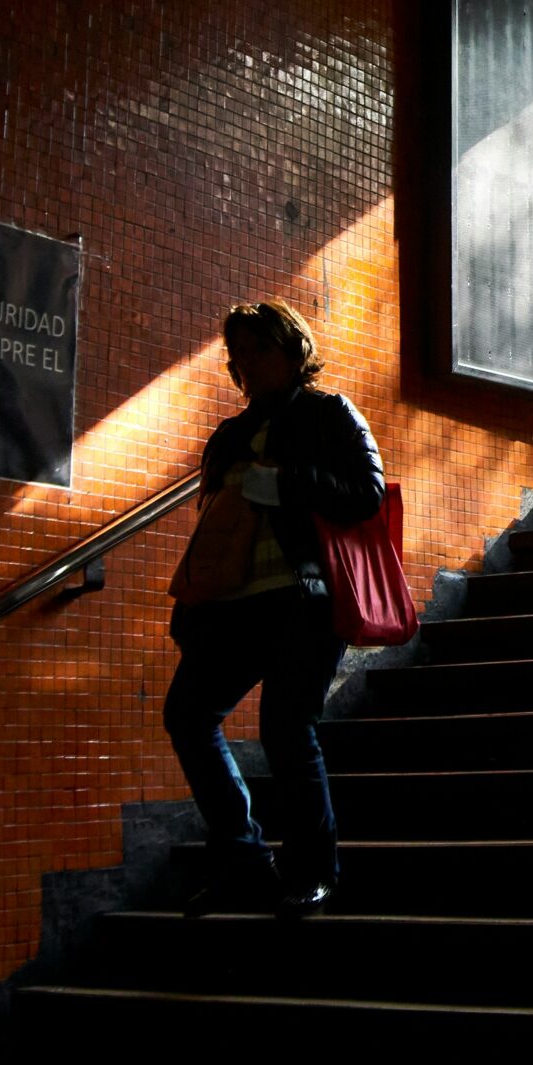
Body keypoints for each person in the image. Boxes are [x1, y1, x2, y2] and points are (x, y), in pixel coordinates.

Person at [164, 300, 384, 919]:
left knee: (286, 729)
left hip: (300, 598)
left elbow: (366, 494)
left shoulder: (328, 412)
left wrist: (287, 483)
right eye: (238, 356)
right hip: (231, 605)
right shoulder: (229, 434)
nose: (246, 365)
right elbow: (212, 525)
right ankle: (243, 860)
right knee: (187, 714)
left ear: (292, 350)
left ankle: (313, 870)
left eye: (259, 350)